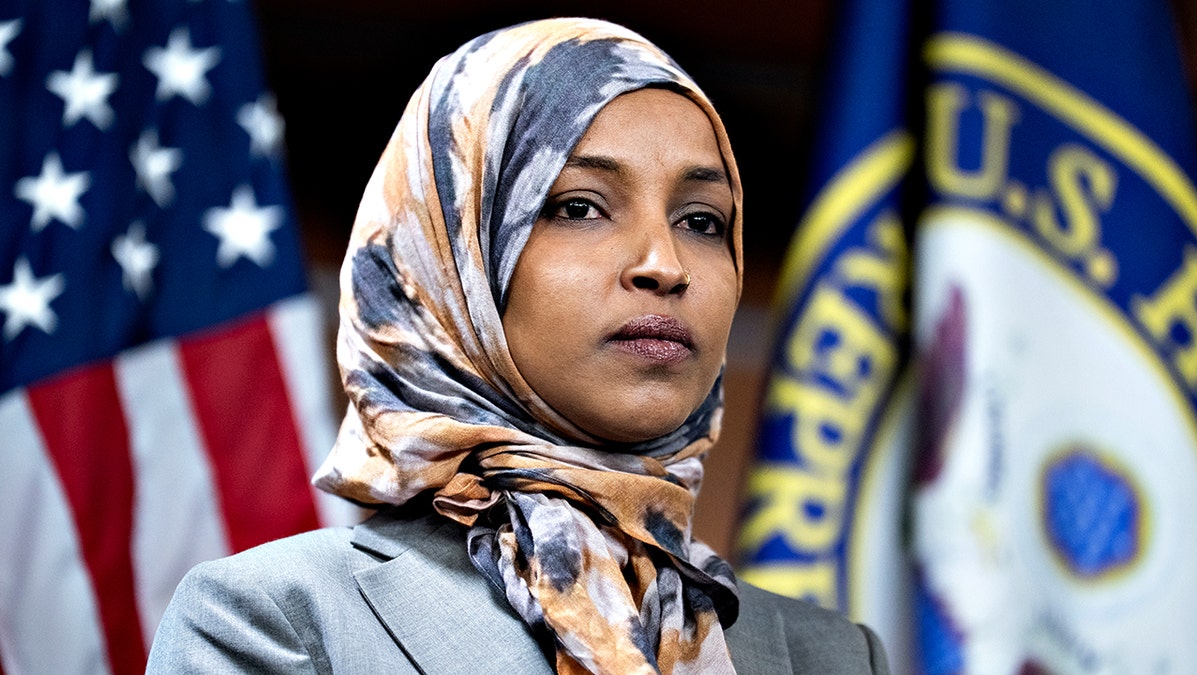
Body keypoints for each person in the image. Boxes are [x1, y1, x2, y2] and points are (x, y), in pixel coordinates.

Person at [146, 17, 890, 674]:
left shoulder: (836, 655)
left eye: (701, 220)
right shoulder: (278, 622)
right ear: (452, 260)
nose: (664, 264)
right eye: (578, 206)